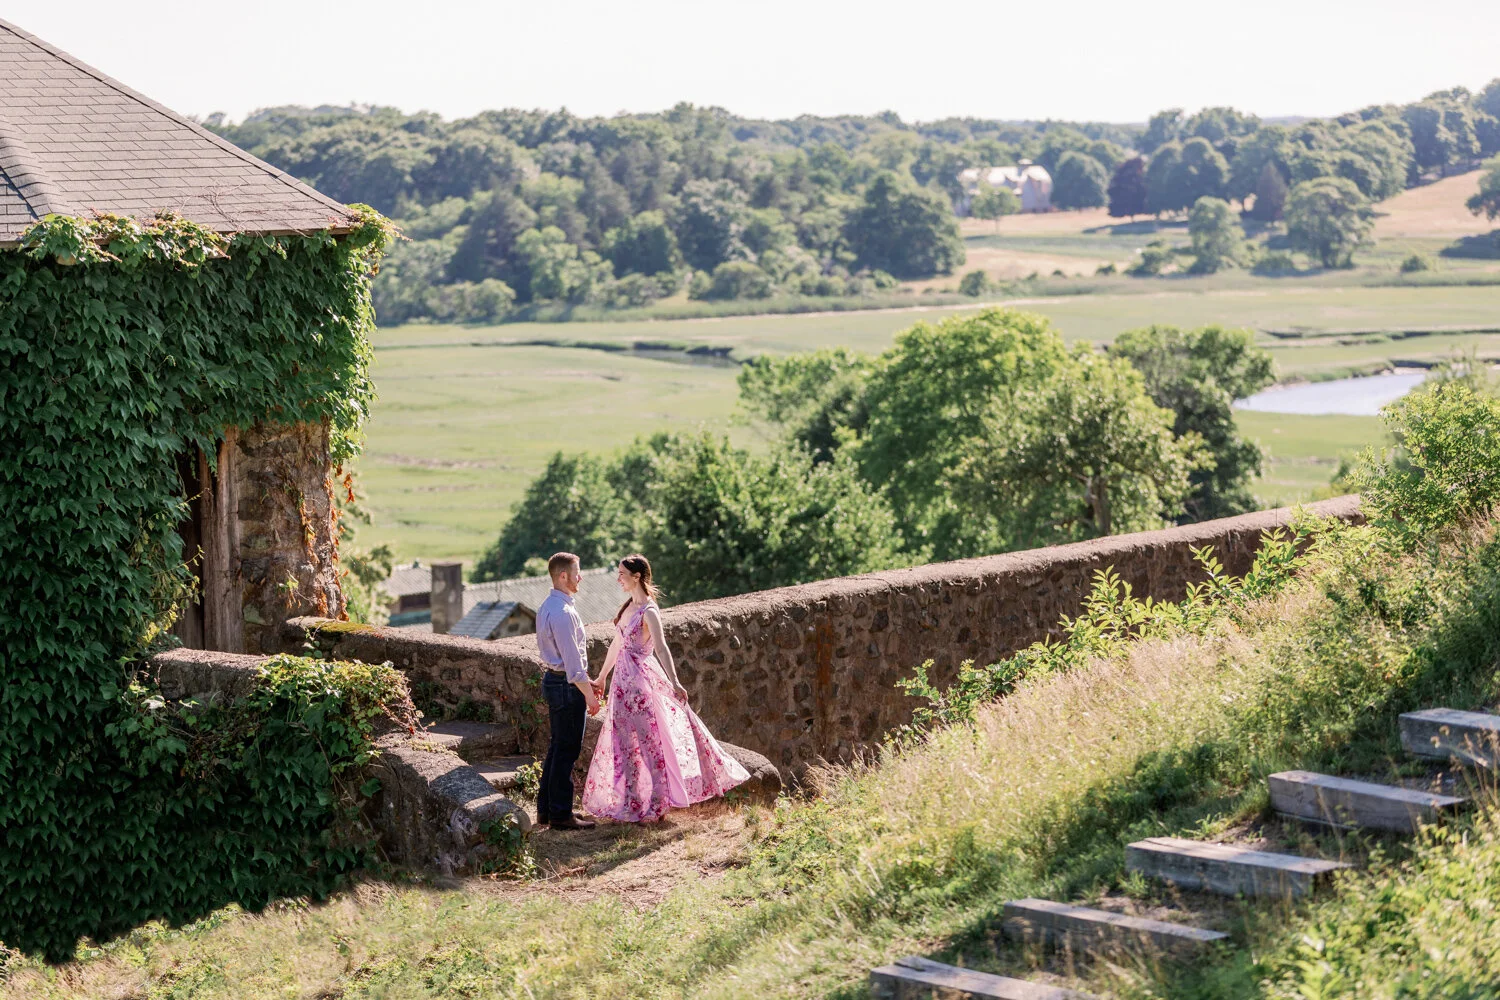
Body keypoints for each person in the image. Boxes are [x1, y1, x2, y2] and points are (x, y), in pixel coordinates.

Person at [581, 554, 749, 823]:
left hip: (640, 685)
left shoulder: (649, 611)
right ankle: (632, 802)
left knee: (649, 745)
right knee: (624, 745)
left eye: (622, 573)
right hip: (622, 686)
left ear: (636, 577)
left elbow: (661, 647)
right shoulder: (627, 608)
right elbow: (616, 644)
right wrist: (601, 678)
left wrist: (675, 681)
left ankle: (657, 805)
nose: (618, 578)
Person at [534, 552, 600, 830]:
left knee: (557, 748)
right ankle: (561, 815)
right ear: (563, 576)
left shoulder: (547, 606)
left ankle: (547, 811)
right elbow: (573, 665)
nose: (580, 577)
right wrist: (590, 694)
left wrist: (587, 681)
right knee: (567, 751)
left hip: (557, 680)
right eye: (576, 573)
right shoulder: (562, 613)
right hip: (566, 686)